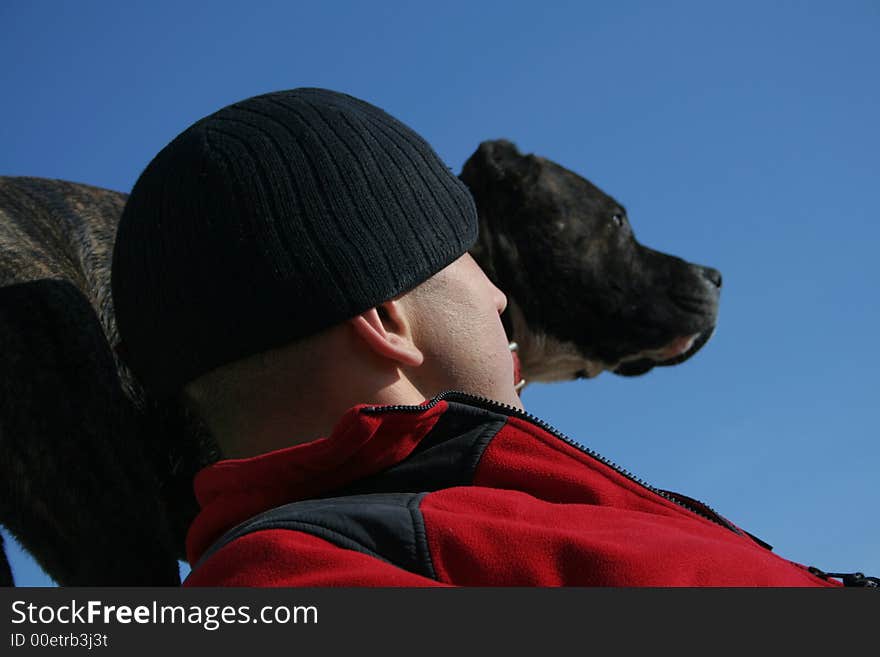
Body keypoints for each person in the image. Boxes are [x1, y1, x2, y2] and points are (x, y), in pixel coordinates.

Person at [111, 88, 843, 586]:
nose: (498, 292)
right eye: (469, 263)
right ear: (390, 321)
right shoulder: (299, 573)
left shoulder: (460, 507)